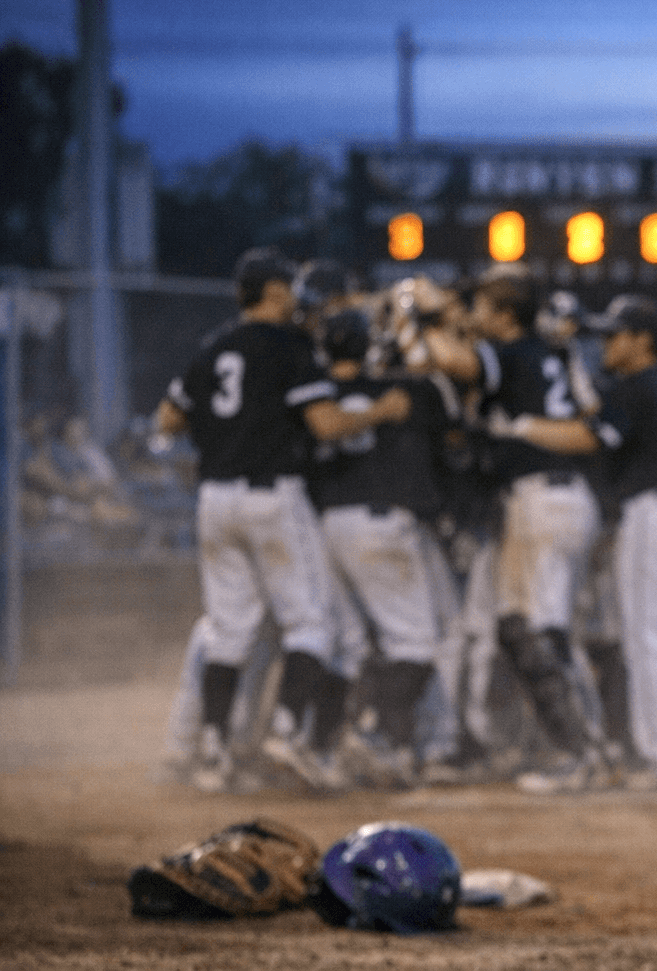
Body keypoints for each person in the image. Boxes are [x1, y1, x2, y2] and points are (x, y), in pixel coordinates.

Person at [154, 246, 411, 793]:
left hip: (215, 499)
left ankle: (212, 755)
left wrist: (228, 428)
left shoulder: (214, 345)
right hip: (272, 496)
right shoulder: (289, 345)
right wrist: (381, 411)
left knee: (228, 631)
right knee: (311, 623)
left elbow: (168, 419)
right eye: (290, 288)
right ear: (273, 292)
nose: (297, 297)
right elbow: (326, 424)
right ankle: (287, 734)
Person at [505, 294, 657, 787]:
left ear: (643, 341)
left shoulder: (636, 386)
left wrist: (521, 426)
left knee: (652, 641)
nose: (606, 344)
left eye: (616, 335)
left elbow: (593, 435)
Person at [424, 264, 610, 792]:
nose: (476, 315)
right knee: (520, 627)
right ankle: (567, 743)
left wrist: (427, 319)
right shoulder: (553, 352)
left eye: (484, 307)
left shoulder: (510, 351)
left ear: (506, 315)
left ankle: (583, 752)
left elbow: (455, 362)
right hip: (548, 500)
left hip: (542, 499)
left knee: (542, 630)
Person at [308, 307, 458, 788]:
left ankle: (320, 747)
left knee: (346, 646)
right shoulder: (397, 391)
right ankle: (379, 738)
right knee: (414, 642)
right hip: (378, 525)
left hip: (324, 525)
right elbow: (443, 397)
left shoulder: (313, 395)